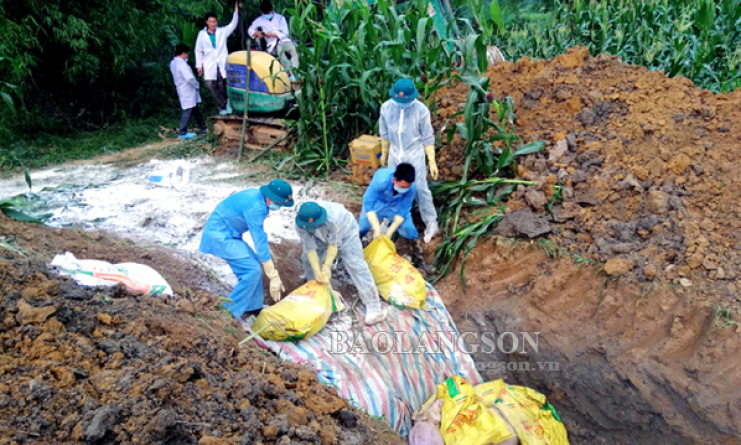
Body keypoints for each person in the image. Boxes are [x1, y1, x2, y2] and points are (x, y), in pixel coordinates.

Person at [199, 179, 294, 320]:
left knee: (255, 264)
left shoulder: (257, 197)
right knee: (252, 271)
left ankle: (252, 308)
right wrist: (273, 274)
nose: (279, 206)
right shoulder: (257, 207)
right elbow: (258, 236)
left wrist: (265, 257)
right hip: (220, 236)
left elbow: (258, 233)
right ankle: (228, 313)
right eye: (279, 203)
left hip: (230, 234)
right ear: (270, 198)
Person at [295, 201, 388, 325]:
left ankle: (374, 306)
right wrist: (317, 271)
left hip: (345, 233)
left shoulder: (334, 219)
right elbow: (310, 248)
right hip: (319, 237)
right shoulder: (301, 223)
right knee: (308, 260)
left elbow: (334, 245)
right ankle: (316, 292)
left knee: (356, 264)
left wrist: (327, 266)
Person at [379, 78, 439, 244]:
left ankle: (431, 223)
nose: (401, 103)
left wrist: (432, 161)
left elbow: (427, 137)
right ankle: (387, 220)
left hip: (414, 155)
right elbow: (384, 133)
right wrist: (384, 153)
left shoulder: (421, 110)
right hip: (395, 153)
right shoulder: (386, 108)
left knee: (420, 188)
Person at [359, 163, 429, 271]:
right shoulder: (381, 180)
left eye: (407, 187)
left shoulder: (411, 187)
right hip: (377, 203)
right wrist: (376, 228)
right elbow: (369, 205)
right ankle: (355, 252)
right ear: (394, 180)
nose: (405, 189)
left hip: (396, 206)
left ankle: (419, 261)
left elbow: (404, 210)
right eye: (402, 187)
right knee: (361, 227)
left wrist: (390, 231)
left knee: (410, 229)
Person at [195, 3, 240, 115]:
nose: (213, 24)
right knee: (210, 85)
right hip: (209, 64)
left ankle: (222, 108)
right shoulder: (201, 35)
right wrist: (199, 65)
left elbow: (233, 25)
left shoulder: (222, 32)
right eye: (210, 22)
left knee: (222, 86)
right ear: (206, 22)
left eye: (214, 22)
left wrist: (236, 11)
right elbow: (198, 50)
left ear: (217, 22)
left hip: (221, 64)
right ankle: (225, 103)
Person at [248, 0, 299, 81]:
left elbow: (285, 32)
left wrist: (271, 34)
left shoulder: (280, 18)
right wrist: (258, 33)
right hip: (273, 44)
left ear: (272, 10)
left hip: (284, 40)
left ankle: (295, 73)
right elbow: (250, 30)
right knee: (280, 51)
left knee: (295, 50)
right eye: (264, 14)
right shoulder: (259, 20)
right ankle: (288, 74)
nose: (266, 15)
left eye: (268, 13)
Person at [170, 44, 207, 140]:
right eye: (187, 54)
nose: (187, 56)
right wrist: (196, 84)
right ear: (183, 53)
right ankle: (182, 132)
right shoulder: (181, 64)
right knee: (187, 110)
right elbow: (189, 78)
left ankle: (203, 127)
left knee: (195, 109)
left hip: (183, 89)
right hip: (187, 89)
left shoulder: (173, 63)